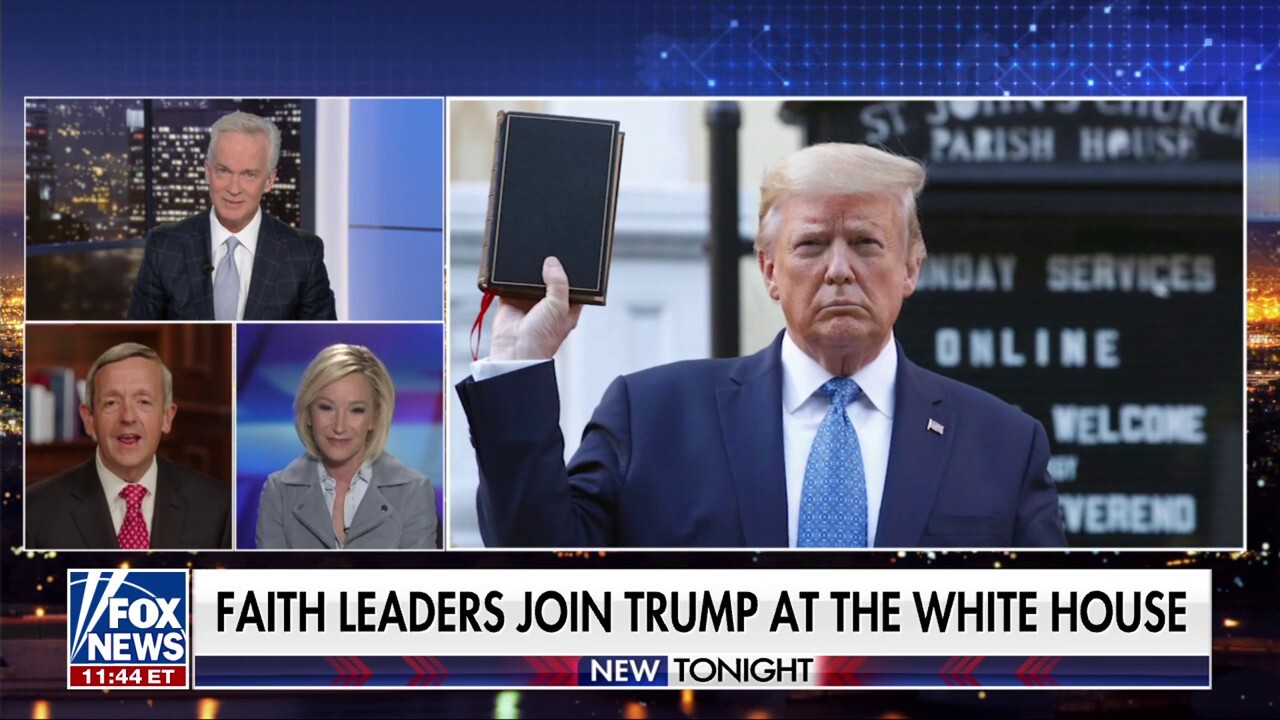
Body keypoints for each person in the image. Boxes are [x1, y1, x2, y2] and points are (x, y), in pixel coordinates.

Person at [456, 143, 1066, 549]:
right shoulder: (653, 415)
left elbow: (1045, 650)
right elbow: (537, 572)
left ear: (911, 267)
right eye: (810, 245)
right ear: (770, 270)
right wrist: (519, 365)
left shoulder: (1003, 445)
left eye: (865, 242)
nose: (838, 270)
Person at [127, 111, 337, 320]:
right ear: (208, 171)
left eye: (249, 174)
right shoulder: (164, 246)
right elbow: (137, 334)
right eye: (224, 171)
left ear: (270, 181)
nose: (234, 188)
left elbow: (322, 339)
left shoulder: (303, 254)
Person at [25, 343, 231, 550]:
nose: (128, 417)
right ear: (88, 419)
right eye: (111, 403)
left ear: (167, 417)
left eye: (143, 402)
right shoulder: (32, 511)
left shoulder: (218, 507)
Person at [256, 344, 438, 549]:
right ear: (308, 413)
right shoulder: (278, 492)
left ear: (375, 418)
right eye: (326, 408)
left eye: (356, 410)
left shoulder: (414, 491)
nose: (339, 426)